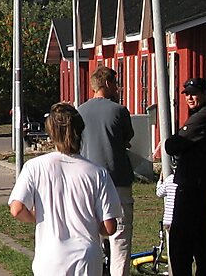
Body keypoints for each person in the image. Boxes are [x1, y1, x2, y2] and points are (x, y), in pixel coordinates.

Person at [8, 103, 122, 276]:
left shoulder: (34, 167)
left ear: (50, 133)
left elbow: (16, 209)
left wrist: (35, 216)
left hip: (50, 258)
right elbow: (109, 226)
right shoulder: (97, 173)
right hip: (86, 258)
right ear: (80, 132)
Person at [78, 67, 135, 276]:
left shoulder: (80, 111)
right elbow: (127, 138)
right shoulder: (119, 111)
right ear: (108, 83)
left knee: (92, 234)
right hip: (117, 179)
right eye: (115, 83)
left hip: (88, 181)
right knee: (120, 237)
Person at [165, 77, 206, 276]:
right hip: (201, 189)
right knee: (200, 241)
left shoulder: (201, 118)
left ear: (205, 94)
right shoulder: (202, 116)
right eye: (187, 94)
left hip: (192, 190)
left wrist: (178, 143)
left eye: (194, 93)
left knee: (181, 244)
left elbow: (172, 145)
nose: (190, 97)